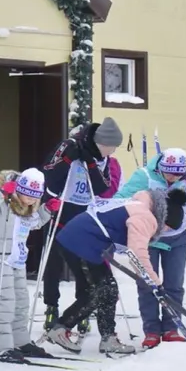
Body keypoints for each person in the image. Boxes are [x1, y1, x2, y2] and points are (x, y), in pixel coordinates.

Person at [49, 188, 162, 355]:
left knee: (105, 290)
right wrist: (153, 281)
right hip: (82, 242)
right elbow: (137, 252)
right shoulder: (146, 217)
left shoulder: (134, 205)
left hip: (81, 240)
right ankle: (61, 328)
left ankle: (107, 338)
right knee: (103, 290)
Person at [115, 147, 186, 348]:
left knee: (174, 285)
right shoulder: (144, 176)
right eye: (168, 172)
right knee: (148, 283)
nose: (172, 177)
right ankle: (151, 331)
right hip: (148, 239)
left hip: (177, 239)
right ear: (161, 167)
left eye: (177, 173)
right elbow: (119, 201)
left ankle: (171, 328)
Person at [38, 118, 125, 331]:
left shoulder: (102, 159)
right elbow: (49, 174)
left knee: (84, 266)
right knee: (53, 263)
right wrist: (68, 160)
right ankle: (51, 305)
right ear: (101, 142)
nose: (112, 152)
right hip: (60, 209)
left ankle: (82, 309)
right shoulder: (68, 145)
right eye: (111, 148)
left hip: (84, 214)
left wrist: (92, 163)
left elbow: (101, 188)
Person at [0, 168, 56, 360]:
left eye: (35, 197)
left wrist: (47, 210)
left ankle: (20, 341)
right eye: (27, 195)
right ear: (19, 189)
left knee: (20, 302)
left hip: (17, 258)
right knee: (4, 302)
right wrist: (0, 192)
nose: (30, 200)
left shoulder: (29, 207)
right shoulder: (2, 202)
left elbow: (33, 224)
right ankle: (1, 345)